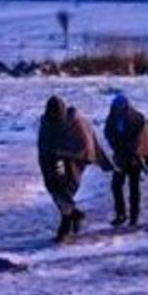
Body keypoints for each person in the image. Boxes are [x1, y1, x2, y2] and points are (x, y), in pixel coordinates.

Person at [38, 95, 113, 242]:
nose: (53, 115)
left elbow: (85, 145)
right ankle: (74, 215)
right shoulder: (47, 122)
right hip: (52, 161)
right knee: (55, 189)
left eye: (55, 112)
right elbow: (43, 143)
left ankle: (65, 227)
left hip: (71, 161)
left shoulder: (75, 122)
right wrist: (48, 156)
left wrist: (63, 152)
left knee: (64, 189)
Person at [103, 93, 148, 227]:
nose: (117, 109)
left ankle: (134, 216)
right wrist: (117, 148)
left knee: (133, 186)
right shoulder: (112, 118)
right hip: (121, 157)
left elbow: (143, 139)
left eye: (119, 106)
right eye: (115, 106)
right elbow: (108, 133)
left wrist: (133, 153)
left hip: (134, 158)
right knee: (116, 186)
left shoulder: (136, 118)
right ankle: (120, 214)